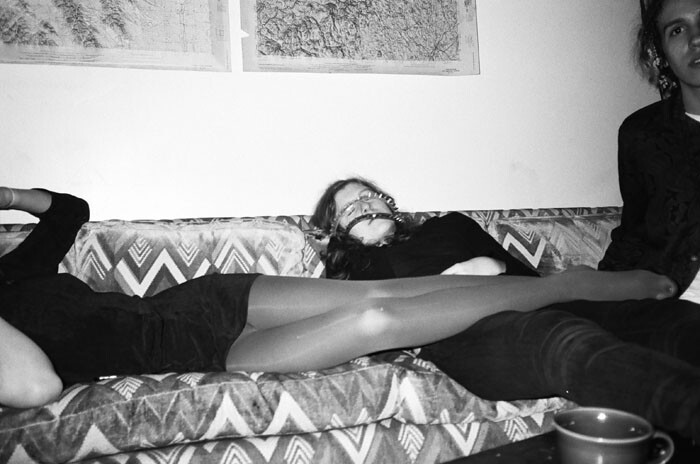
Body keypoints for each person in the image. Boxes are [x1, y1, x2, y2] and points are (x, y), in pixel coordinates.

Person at [0, 187, 666, 410]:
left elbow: (67, 211)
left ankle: (566, 286)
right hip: (203, 355)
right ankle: (559, 290)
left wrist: (7, 195)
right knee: (375, 318)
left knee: (377, 292)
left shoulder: (16, 271)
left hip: (204, 307)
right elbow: (34, 386)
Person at [310, 177, 700, 442]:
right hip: (466, 332)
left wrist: (491, 265)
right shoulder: (356, 269)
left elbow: (528, 278)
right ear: (337, 230)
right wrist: (455, 279)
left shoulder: (450, 226)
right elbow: (368, 327)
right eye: (349, 208)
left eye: (368, 195)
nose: (364, 203)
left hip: (532, 297)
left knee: (662, 319)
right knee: (561, 339)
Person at [599, 0, 700, 305]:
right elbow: (634, 235)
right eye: (677, 30)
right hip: (666, 309)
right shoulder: (641, 133)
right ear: (661, 54)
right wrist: (596, 295)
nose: (696, 38)